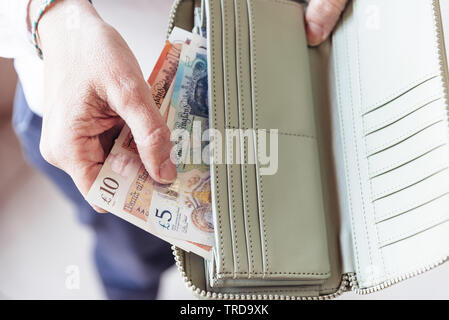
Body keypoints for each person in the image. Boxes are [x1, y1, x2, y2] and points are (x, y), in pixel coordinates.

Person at [0, 0, 348, 299]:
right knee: (131, 259)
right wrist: (53, 16)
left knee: (271, 247)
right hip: (94, 119)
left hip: (279, 67)